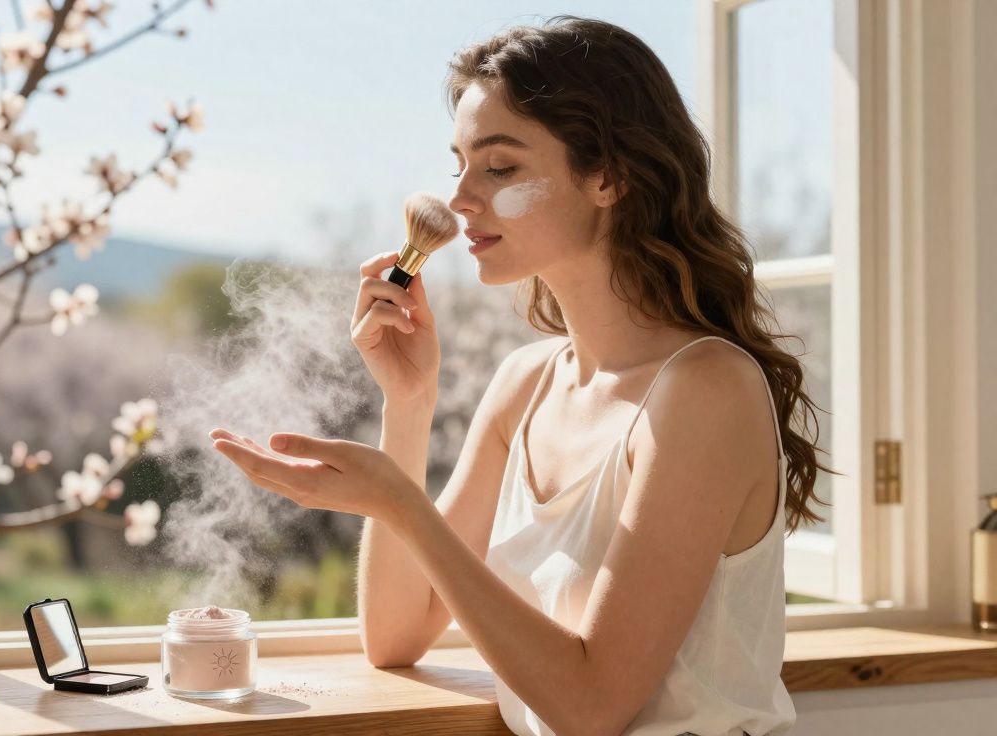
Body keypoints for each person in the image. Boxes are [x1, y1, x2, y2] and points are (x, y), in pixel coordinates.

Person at [210, 15, 828, 736]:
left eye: (499, 167)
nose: (459, 198)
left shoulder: (704, 389)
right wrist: (406, 405)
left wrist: (402, 505)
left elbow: (592, 707)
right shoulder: (526, 385)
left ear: (609, 176)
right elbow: (396, 635)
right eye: (460, 165)